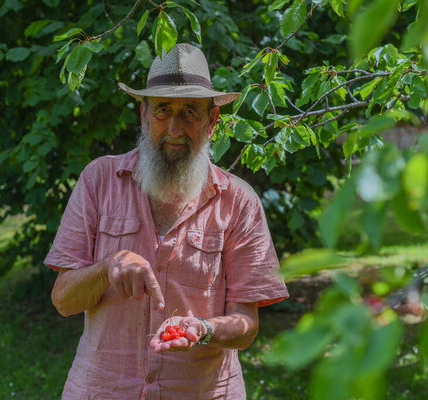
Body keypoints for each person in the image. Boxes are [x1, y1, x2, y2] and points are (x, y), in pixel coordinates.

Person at [44, 43, 289, 400]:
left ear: (212, 121)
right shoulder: (99, 180)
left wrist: (203, 329)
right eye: (163, 110)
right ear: (143, 114)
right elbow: (63, 300)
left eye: (190, 111)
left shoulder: (239, 201)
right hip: (102, 390)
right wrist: (107, 267)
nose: (174, 128)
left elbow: (246, 326)